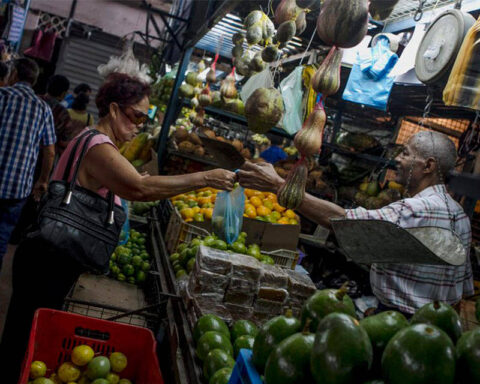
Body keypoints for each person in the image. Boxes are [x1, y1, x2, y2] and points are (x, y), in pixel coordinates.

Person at [0, 73, 236, 381]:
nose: (140, 124)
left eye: (145, 117)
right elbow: (139, 189)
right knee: (20, 344)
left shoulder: (96, 141)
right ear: (113, 109)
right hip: (46, 259)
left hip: (52, 255)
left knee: (25, 337)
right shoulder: (98, 145)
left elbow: (137, 183)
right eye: (137, 115)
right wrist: (205, 178)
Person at [239, 131, 473, 316]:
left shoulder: (415, 209)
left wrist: (278, 186)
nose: (397, 160)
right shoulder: (461, 216)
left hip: (398, 322)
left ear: (428, 166)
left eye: (405, 153)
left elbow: (343, 221)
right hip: (433, 329)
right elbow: (460, 293)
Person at [0, 58, 56, 269]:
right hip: (17, 188)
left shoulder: (2, 96)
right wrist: (42, 181)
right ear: (33, 80)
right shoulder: (43, 109)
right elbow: (49, 151)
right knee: (2, 237)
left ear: (13, 74)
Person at [40, 74, 76, 155]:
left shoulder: (34, 101)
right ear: (63, 94)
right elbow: (64, 140)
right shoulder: (63, 114)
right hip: (45, 157)